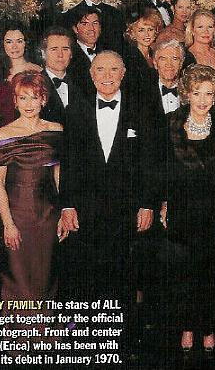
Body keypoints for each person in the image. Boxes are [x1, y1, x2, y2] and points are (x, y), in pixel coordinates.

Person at [59, 51, 159, 358]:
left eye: (113, 69)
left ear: (123, 73)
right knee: (88, 273)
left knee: (124, 274)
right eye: (100, 70)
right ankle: (90, 340)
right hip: (86, 208)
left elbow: (150, 160)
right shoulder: (76, 109)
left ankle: (123, 340)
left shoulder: (141, 107)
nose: (107, 76)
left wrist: (147, 204)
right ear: (91, 75)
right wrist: (67, 205)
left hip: (127, 208)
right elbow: (69, 160)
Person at [0, 71, 63, 332]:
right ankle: (19, 339)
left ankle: (44, 337)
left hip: (48, 215)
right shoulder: (3, 135)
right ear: (15, 101)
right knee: (18, 278)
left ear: (44, 99)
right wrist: (8, 224)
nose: (29, 103)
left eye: (35, 97)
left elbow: (58, 177)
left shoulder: (56, 130)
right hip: (17, 215)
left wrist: (63, 214)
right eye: (23, 97)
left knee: (46, 276)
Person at [164, 64, 215, 353]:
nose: (203, 100)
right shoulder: (171, 123)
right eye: (197, 92)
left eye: (209, 94)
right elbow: (163, 168)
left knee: (211, 270)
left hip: (214, 209)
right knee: (184, 271)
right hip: (182, 208)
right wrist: (164, 204)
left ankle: (209, 327)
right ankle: (187, 326)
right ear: (186, 93)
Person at [0, 21, 42, 127]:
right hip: (5, 131)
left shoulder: (38, 72)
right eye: (9, 42)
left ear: (26, 43)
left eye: (19, 41)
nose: (14, 47)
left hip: (34, 129)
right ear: (2, 44)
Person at [39, 26, 83, 125]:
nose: (60, 55)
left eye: (65, 49)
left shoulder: (82, 84)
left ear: (71, 53)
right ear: (43, 53)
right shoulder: (35, 84)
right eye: (54, 49)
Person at [122, 6, 164, 94]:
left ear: (156, 31)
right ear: (132, 33)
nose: (147, 34)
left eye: (150, 29)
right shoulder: (129, 58)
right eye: (141, 30)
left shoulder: (156, 54)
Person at [66, 6, 103, 101]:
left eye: (95, 23)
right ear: (75, 29)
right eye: (85, 24)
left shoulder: (109, 53)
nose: (91, 28)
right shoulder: (67, 56)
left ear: (100, 28)